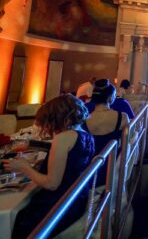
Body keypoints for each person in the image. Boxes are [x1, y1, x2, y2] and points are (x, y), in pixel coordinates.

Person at [4, 95, 95, 238]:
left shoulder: (62, 138)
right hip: (77, 199)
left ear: (56, 118)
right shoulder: (85, 134)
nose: (46, 127)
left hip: (60, 206)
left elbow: (52, 184)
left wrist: (24, 167)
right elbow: (70, 164)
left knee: (16, 220)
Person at [82, 79, 130, 185]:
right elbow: (127, 144)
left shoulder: (84, 120)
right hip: (112, 169)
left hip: (89, 171)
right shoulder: (122, 117)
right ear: (110, 98)